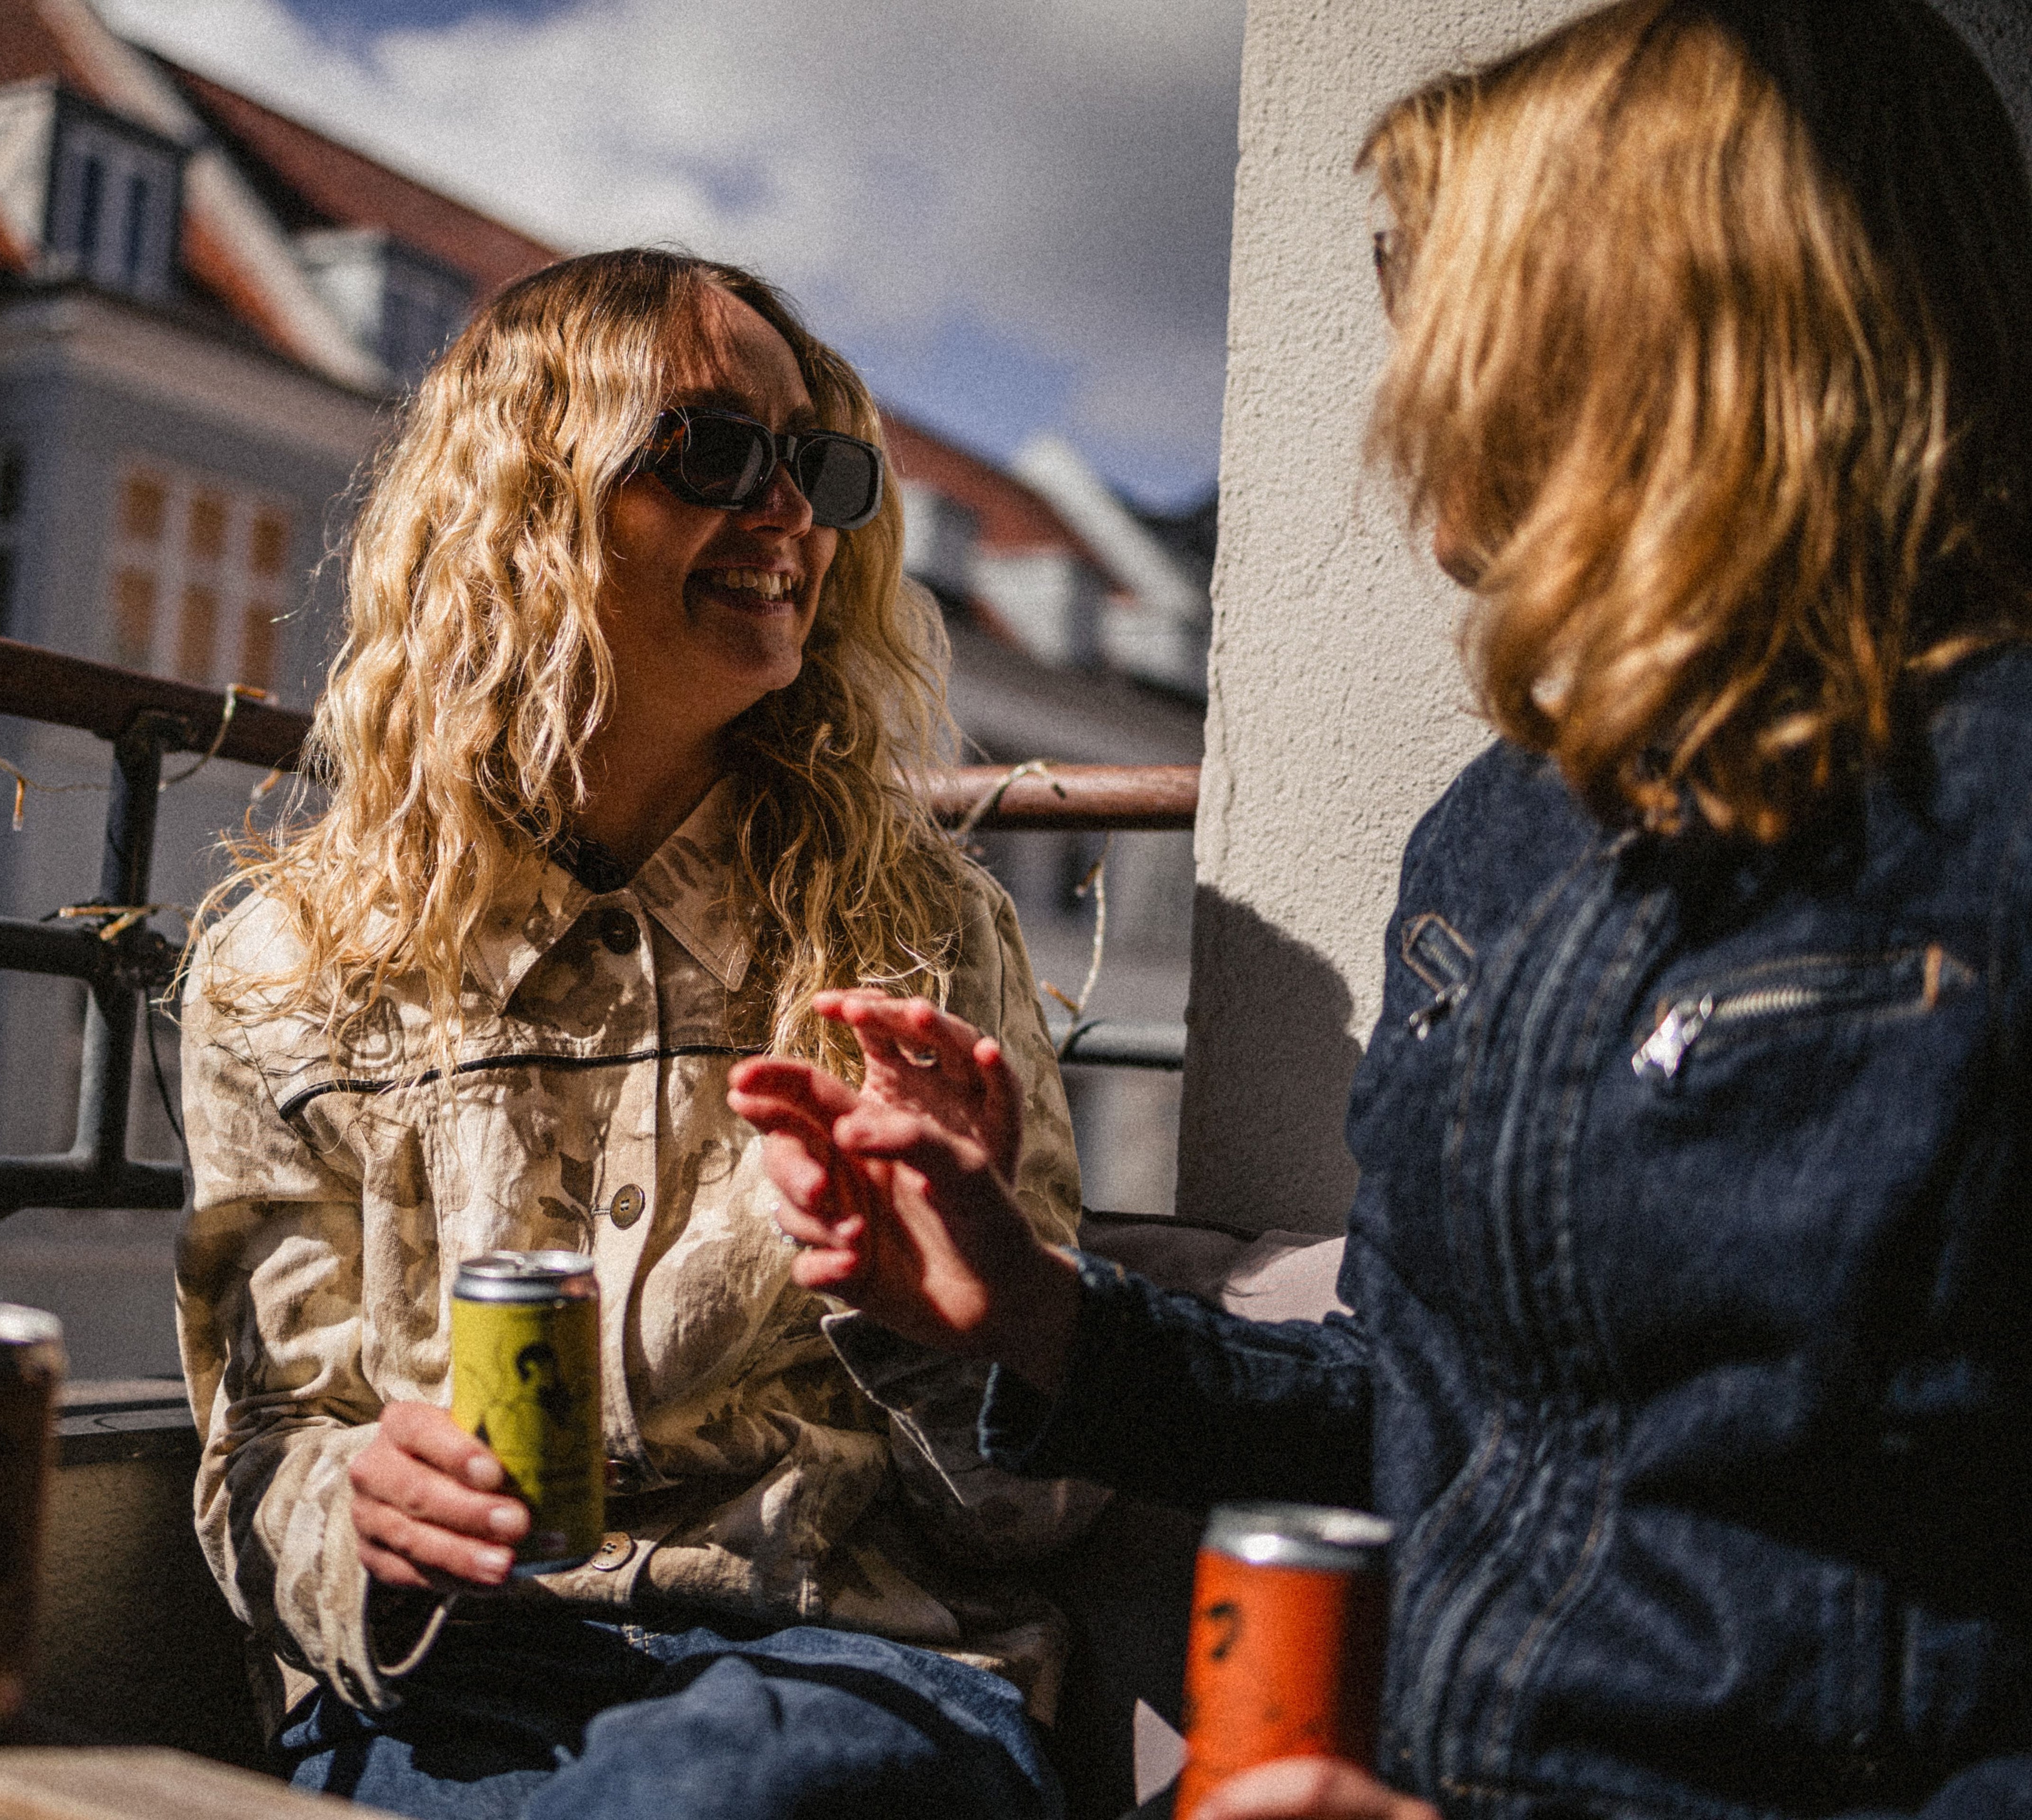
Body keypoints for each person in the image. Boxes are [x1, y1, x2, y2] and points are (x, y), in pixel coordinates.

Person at [730, 5, 2032, 1819]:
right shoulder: (1496, 838)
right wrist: (1034, 1312)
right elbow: (1419, 1410)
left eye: (1460, 336)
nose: (1414, 420)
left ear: (1670, 336)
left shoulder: (1996, 823)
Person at [178, 247, 1103, 1819]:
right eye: (715, 451)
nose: (792, 514)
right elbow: (264, 1454)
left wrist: (942, 1310)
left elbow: (1038, 1520)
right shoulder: (286, 969)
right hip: (459, 1683)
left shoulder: (921, 939)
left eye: (817, 466)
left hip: (845, 1670)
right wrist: (365, 1523)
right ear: (526, 499)